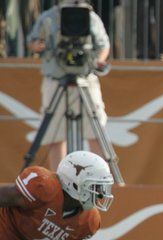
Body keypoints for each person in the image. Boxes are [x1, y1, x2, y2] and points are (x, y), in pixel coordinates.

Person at [27, 0, 111, 170]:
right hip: (56, 79)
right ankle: (59, 183)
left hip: (86, 79)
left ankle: (100, 180)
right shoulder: (48, 18)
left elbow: (103, 45)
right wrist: (37, 45)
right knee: (54, 136)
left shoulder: (91, 17)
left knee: (96, 133)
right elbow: (32, 42)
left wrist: (98, 61)